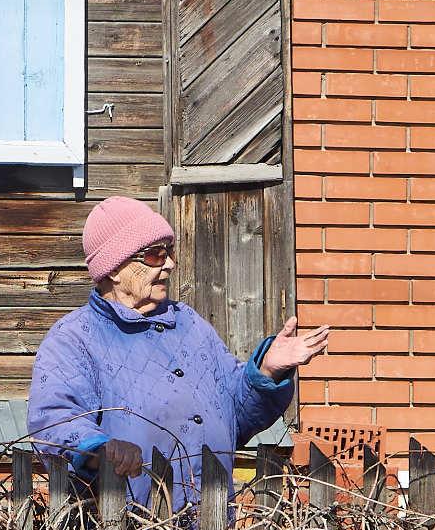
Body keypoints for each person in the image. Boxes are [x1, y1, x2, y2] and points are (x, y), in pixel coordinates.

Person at [27, 197, 330, 506]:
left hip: (210, 529)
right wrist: (100, 450)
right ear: (115, 269)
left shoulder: (189, 325)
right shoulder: (74, 339)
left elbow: (235, 413)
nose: (170, 264)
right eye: (155, 255)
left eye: (169, 252)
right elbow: (54, 420)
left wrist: (266, 371)